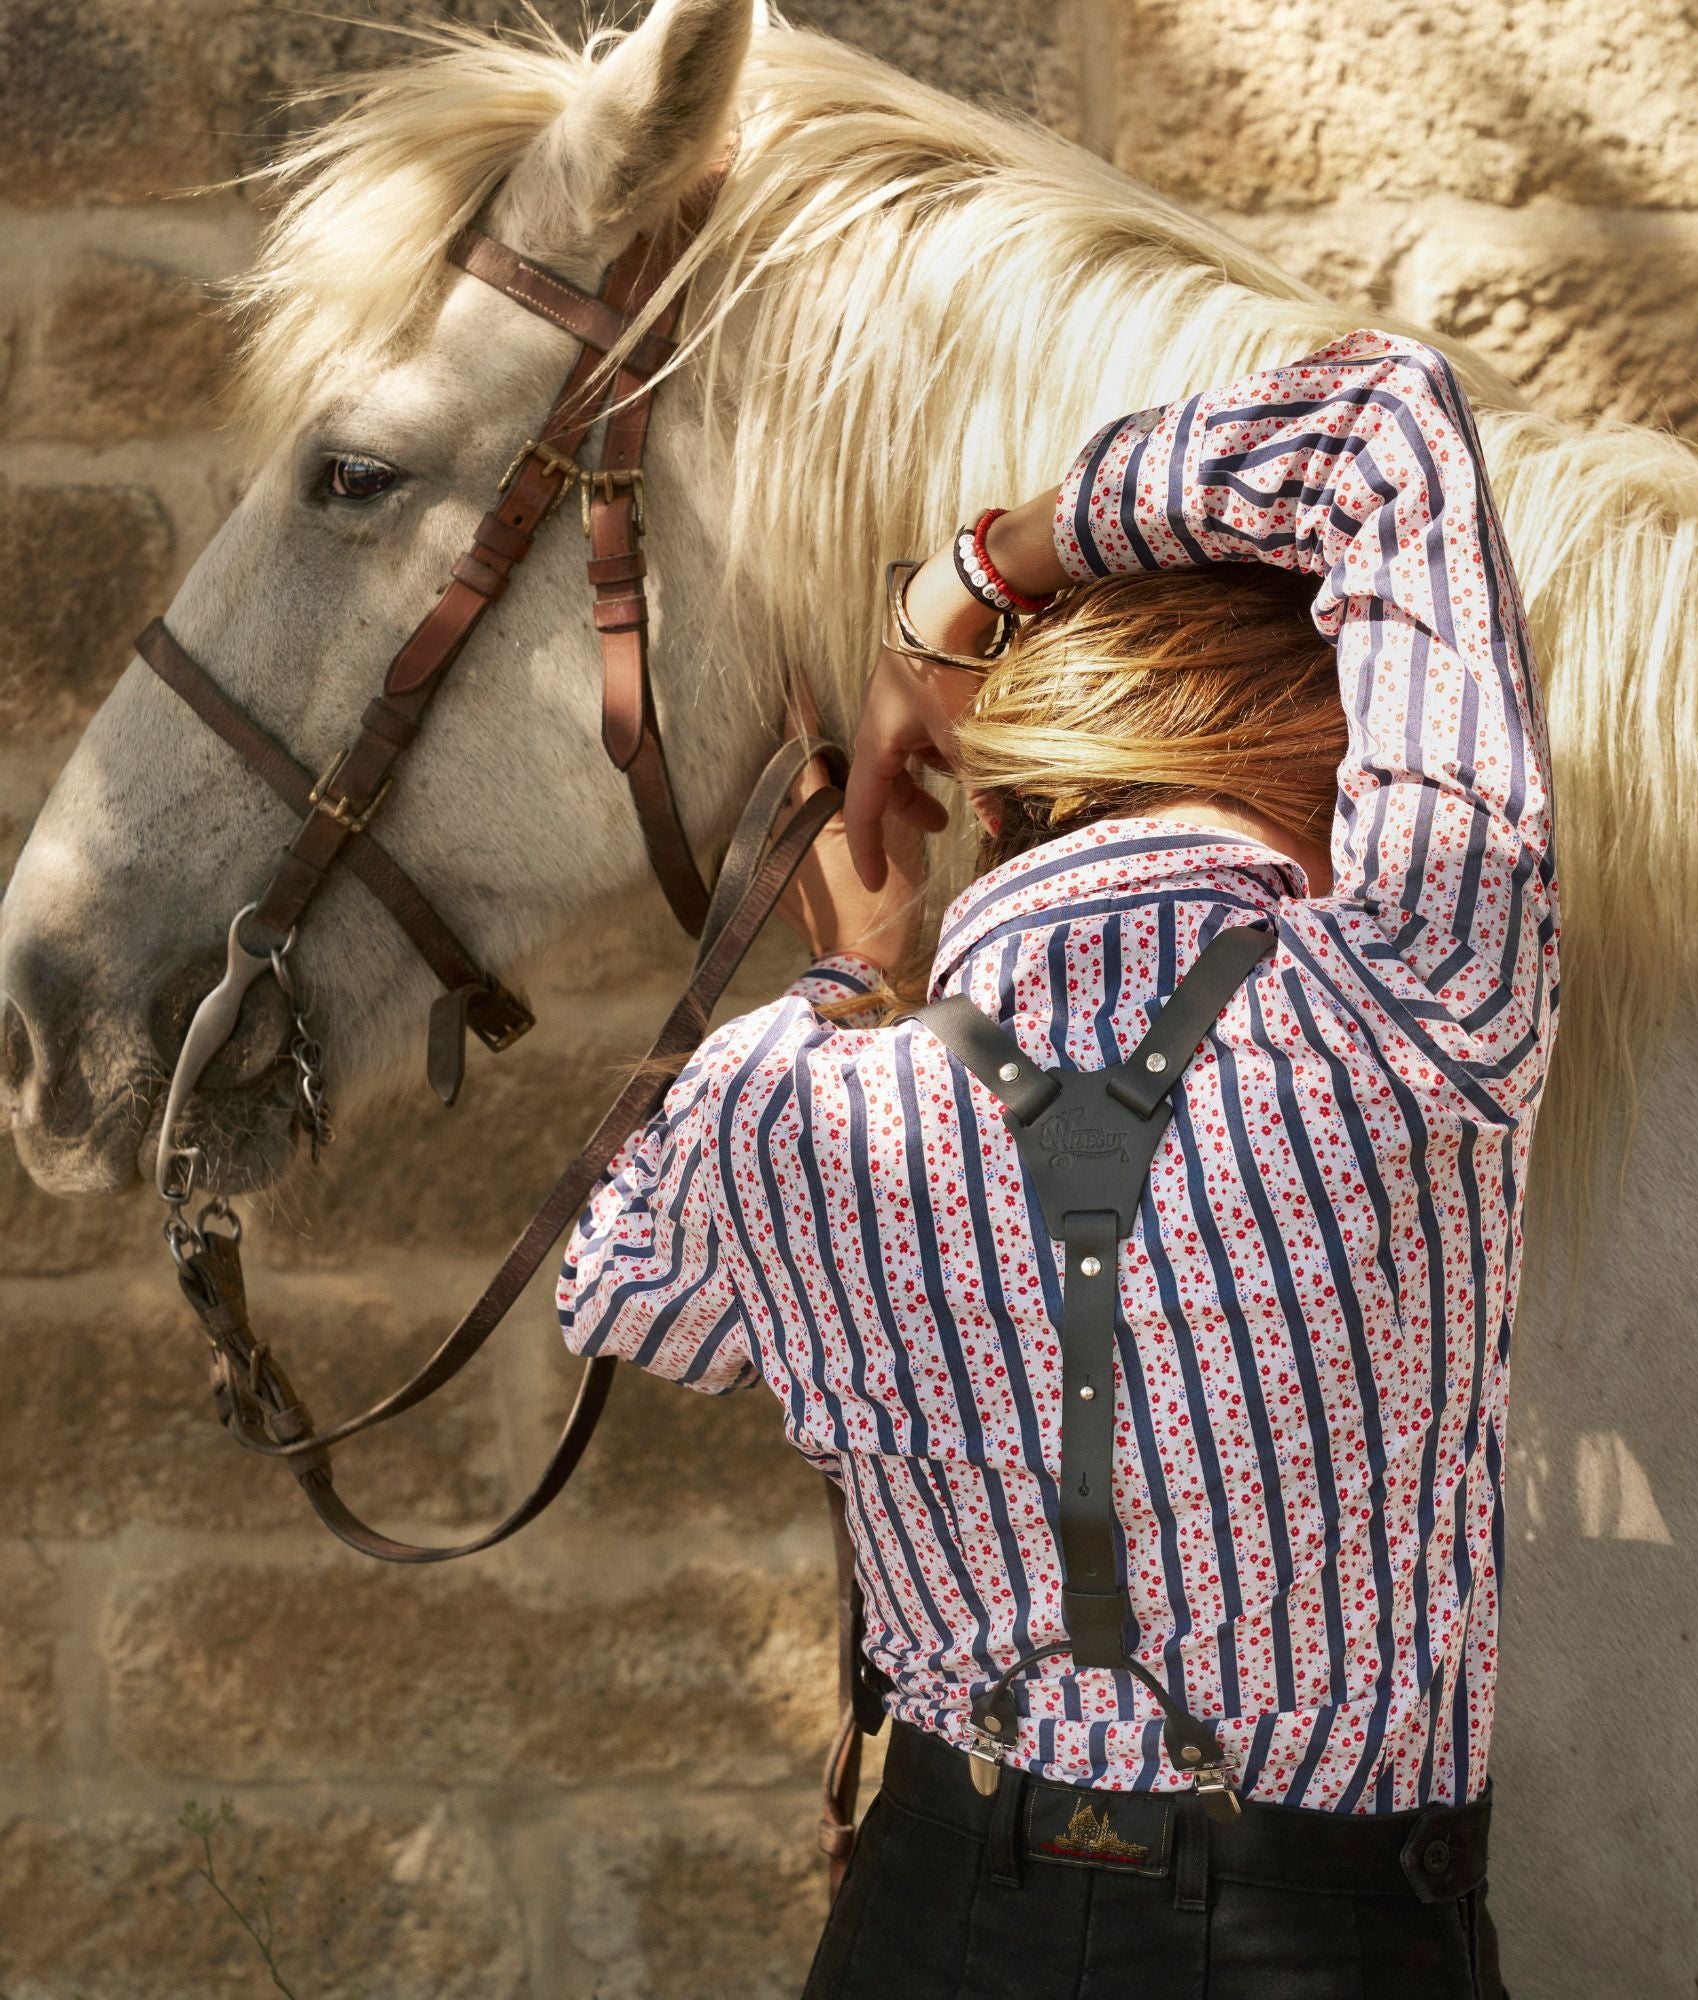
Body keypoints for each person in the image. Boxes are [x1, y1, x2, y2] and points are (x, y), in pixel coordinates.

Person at [557, 329, 1558, 2000]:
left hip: (932, 1910)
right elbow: (1379, 420)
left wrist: (854, 976)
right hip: (1315, 1939)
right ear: (1331, 753)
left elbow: (626, 1291)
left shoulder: (791, 1099)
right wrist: (968, 581)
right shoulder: (1410, 1001)